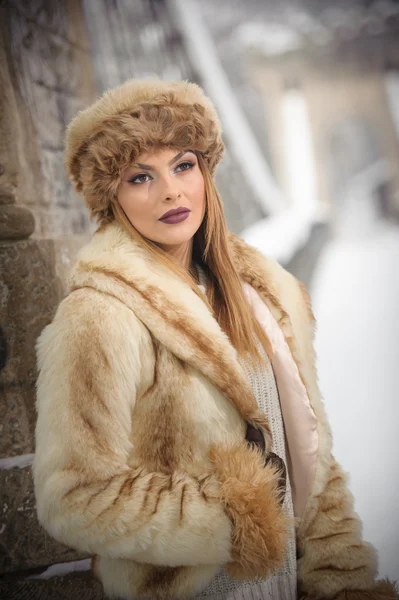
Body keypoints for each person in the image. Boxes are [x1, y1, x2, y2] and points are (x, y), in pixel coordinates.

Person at [33, 79, 398, 600]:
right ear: (111, 197)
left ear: (205, 170)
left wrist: (343, 579)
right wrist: (233, 519)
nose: (171, 191)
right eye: (141, 176)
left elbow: (309, 456)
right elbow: (73, 494)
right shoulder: (100, 317)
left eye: (184, 165)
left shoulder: (263, 293)